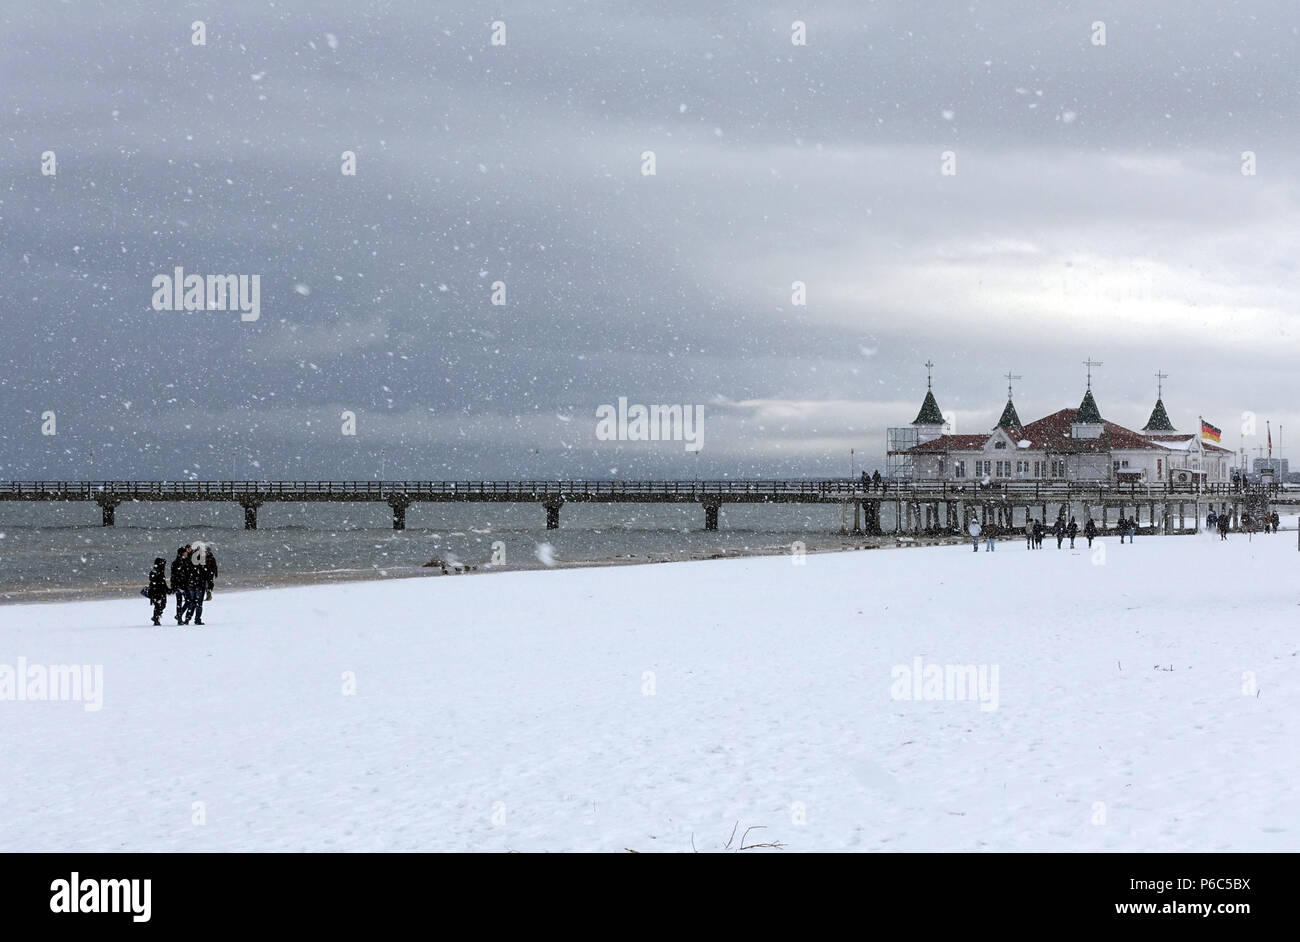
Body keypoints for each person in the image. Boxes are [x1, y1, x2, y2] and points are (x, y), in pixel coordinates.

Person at [170, 546, 192, 625]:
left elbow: (173, 575)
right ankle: (179, 616)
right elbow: (185, 574)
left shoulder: (176, 562)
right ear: (183, 553)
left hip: (178, 585)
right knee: (188, 600)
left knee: (179, 602)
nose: (187, 553)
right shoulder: (183, 562)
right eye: (185, 552)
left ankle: (179, 617)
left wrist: (173, 585)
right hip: (182, 585)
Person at [145, 557, 169, 626]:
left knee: (160, 605)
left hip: (158, 591)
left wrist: (167, 589)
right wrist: (167, 589)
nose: (164, 565)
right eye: (163, 563)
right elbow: (157, 581)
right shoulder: (157, 571)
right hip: (157, 591)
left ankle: (156, 617)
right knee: (159, 605)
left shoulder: (158, 571)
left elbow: (162, 582)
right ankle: (156, 618)